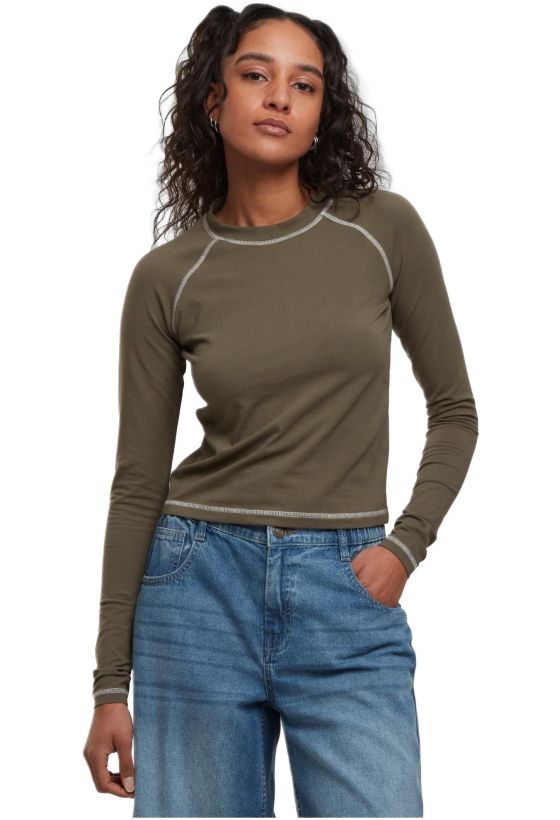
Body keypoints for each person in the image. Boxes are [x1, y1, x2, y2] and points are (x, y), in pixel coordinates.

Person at [83, 4, 479, 817]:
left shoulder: (382, 231)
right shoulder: (169, 276)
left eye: (305, 85)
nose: (279, 97)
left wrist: (405, 547)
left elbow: (455, 409)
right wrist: (109, 683)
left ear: (323, 112)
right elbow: (137, 483)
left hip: (347, 585)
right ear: (213, 99)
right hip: (196, 589)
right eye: (256, 74)